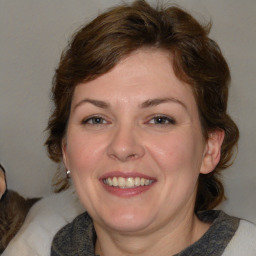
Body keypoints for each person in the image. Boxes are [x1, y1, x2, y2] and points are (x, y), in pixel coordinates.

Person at [45, 1, 256, 255]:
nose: (123, 147)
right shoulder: (29, 244)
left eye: (159, 119)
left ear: (209, 149)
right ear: (66, 150)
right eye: (97, 119)